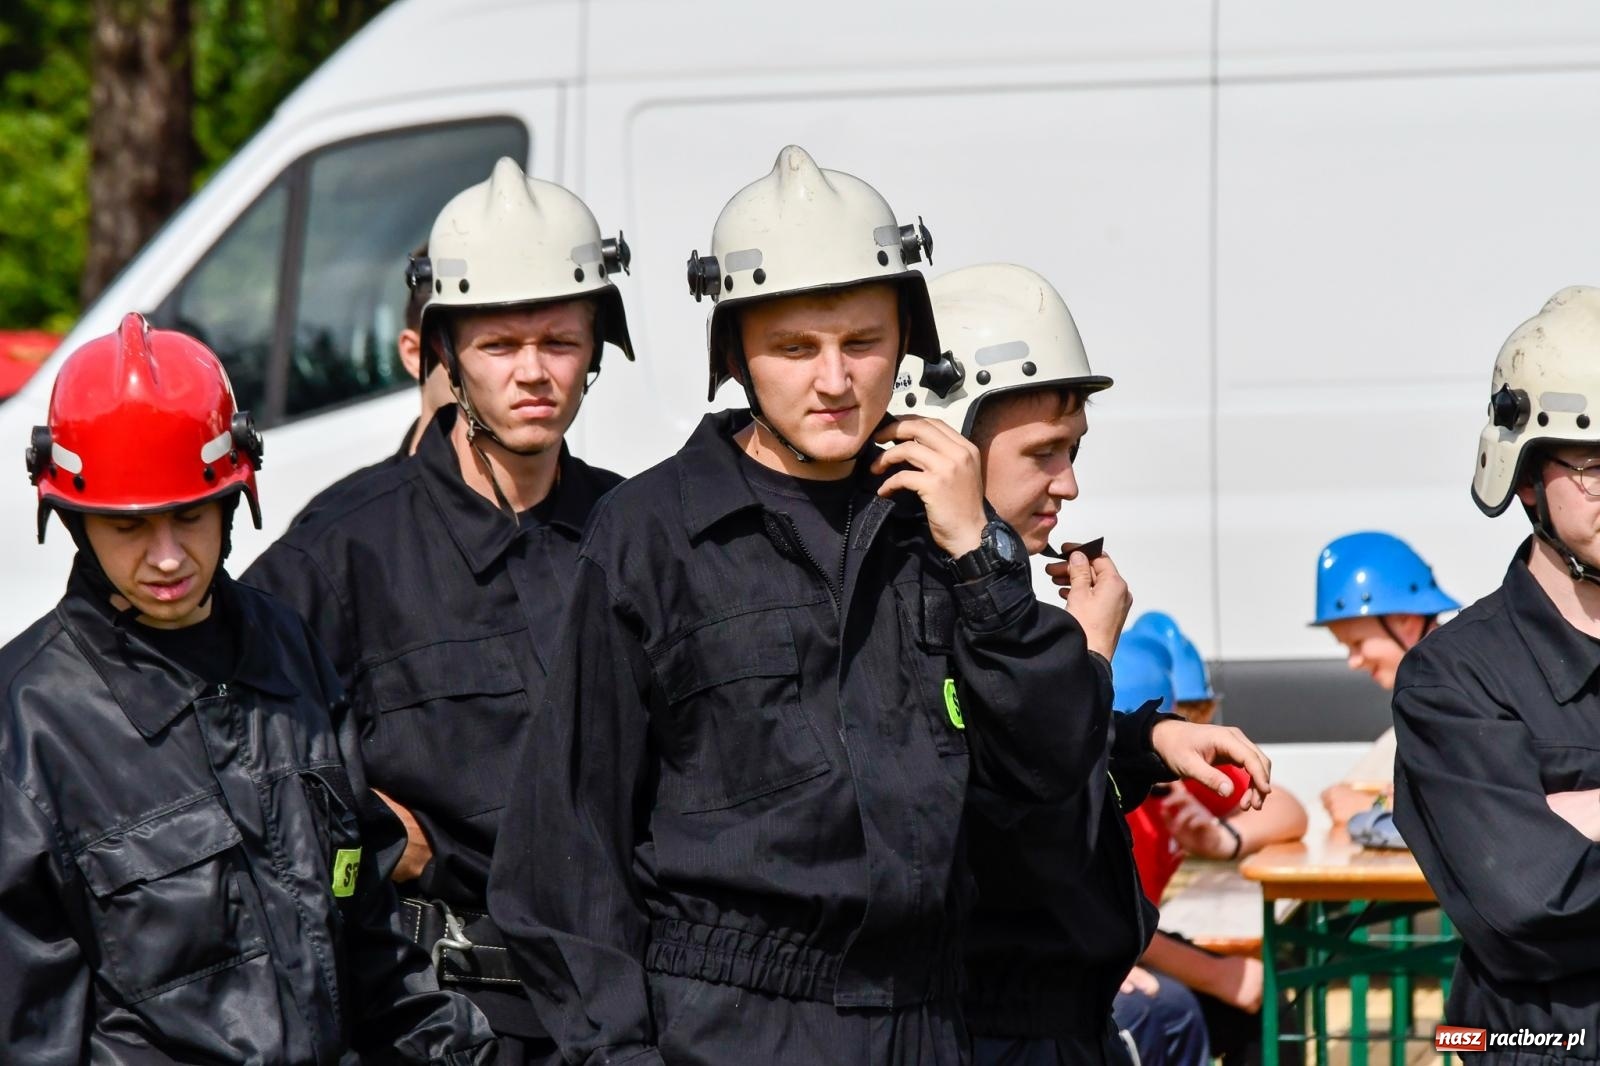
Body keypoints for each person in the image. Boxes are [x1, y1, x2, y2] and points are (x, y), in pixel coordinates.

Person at [488, 145, 1126, 1065]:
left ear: (906, 340)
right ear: (738, 352)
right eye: (795, 348)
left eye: (862, 343)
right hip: (730, 1028)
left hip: (931, 1019)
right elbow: (564, 850)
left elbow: (1051, 776)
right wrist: (619, 1055)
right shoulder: (653, 535)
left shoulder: (946, 525)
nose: (834, 381)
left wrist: (983, 561)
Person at [0, 313, 493, 1064]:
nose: (167, 557)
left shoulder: (286, 649)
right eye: (130, 529)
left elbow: (368, 934)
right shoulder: (26, 728)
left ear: (233, 501)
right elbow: (30, 1032)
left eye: (190, 516)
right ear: (74, 521)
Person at [243, 157, 635, 1065]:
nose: (534, 373)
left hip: (620, 1019)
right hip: (429, 1021)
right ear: (446, 354)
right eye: (500, 346)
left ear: (597, 350)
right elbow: (228, 740)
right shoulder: (345, 549)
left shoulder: (638, 534)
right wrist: (368, 828)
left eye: (561, 343)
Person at [890, 261, 1272, 1066]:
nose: (1069, 484)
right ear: (946, 447)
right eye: (1043, 453)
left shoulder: (989, 601)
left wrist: (1145, 742)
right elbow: (1028, 822)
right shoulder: (903, 608)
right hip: (984, 1030)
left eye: (1074, 450)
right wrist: (1091, 657)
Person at [1394, 285, 1600, 1052]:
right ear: (1521, 476)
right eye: (1593, 464)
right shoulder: (1453, 680)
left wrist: (1578, 816)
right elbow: (1525, 906)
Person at [1116, 631, 1308, 1066]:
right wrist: (1219, 975)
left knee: (1271, 1001)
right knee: (1172, 1010)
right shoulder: (1100, 798)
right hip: (1105, 957)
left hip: (1138, 943)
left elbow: (1289, 810)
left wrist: (1223, 838)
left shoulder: (1165, 786)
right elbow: (1109, 918)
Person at [288, 241, 455, 529]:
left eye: (553, 342)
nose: (526, 370)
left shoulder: (554, 510)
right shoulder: (334, 528)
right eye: (494, 345)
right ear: (415, 355)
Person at [1309, 532, 1458, 826]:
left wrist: (1372, 808)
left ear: (1405, 621)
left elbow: (1470, 804)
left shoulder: (1464, 695)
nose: (1353, 662)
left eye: (1358, 642)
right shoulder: (1428, 697)